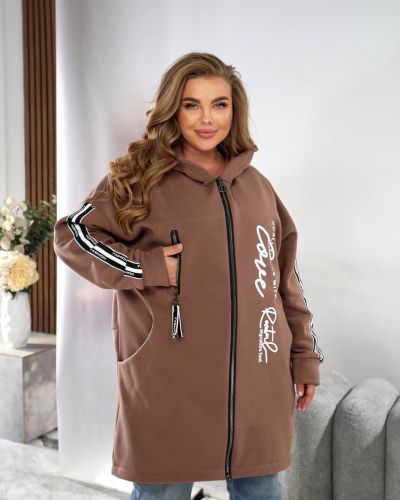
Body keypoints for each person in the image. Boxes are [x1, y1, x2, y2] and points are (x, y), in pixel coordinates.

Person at [53, 52, 324, 500]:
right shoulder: (139, 179)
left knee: (261, 487)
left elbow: (284, 281)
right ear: (172, 110)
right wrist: (145, 266)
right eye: (192, 104)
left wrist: (303, 356)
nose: (207, 118)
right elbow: (73, 234)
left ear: (235, 111)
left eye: (220, 104)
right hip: (168, 380)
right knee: (164, 490)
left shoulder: (257, 187)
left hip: (257, 378)